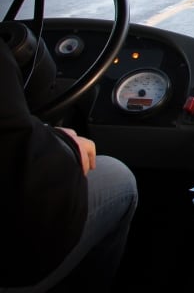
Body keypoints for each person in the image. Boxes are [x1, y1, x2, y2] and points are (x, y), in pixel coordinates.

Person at [0, 37, 138, 292]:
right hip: (12, 259)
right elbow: (21, 157)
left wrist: (43, 131)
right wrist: (62, 143)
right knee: (120, 180)